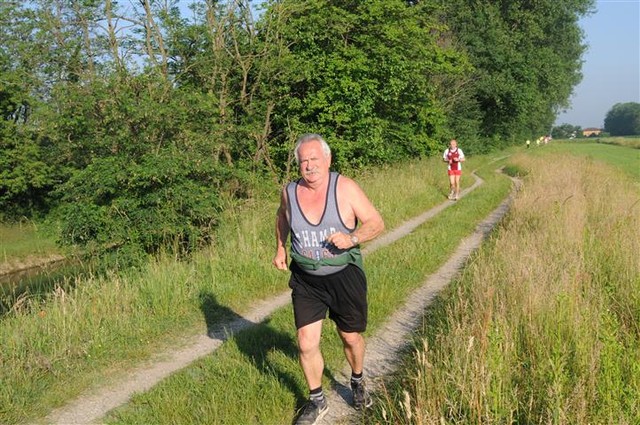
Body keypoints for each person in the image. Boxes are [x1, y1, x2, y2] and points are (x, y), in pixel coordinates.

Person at [273, 133, 385, 425]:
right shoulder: (290, 192)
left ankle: (357, 381)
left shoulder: (344, 188)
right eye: (303, 161)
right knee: (305, 342)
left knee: (350, 337)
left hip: (344, 276)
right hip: (306, 279)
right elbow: (282, 216)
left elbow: (376, 223)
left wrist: (352, 238)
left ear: (328, 159)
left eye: (314, 159)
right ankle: (316, 400)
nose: (309, 166)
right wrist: (280, 247)